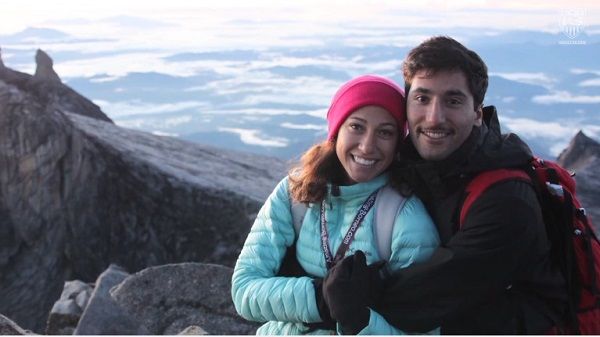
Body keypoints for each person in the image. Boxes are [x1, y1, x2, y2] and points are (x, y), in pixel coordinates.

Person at [321, 36, 568, 334]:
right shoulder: (410, 165)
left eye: (453, 101)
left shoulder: (506, 201)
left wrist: (331, 295)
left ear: (477, 114)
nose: (434, 117)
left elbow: (417, 301)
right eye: (422, 98)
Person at [231, 75, 440, 335]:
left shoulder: (405, 218)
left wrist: (360, 322)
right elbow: (244, 289)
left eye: (385, 132)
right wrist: (321, 299)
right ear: (336, 130)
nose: (367, 146)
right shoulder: (294, 193)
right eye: (356, 127)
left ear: (398, 143)